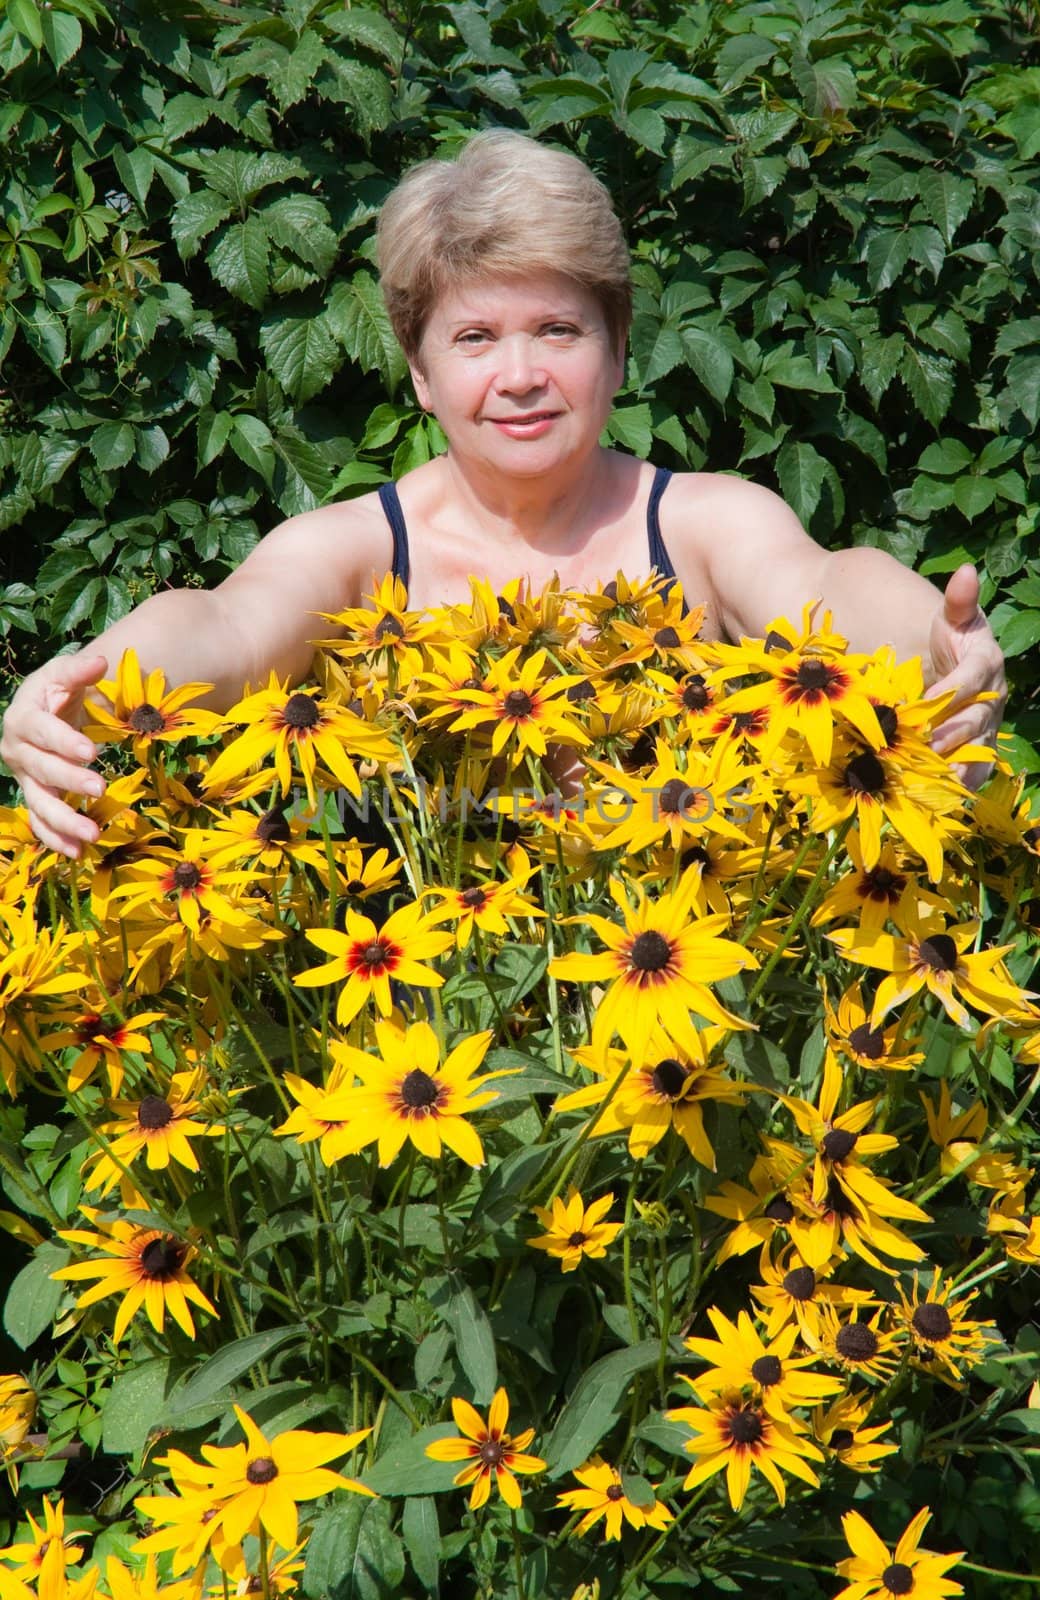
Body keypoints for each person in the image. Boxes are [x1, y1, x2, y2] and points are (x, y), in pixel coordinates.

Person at [1, 130, 1006, 859]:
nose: (518, 374)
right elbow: (222, 625)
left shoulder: (699, 527)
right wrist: (91, 683)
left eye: (557, 332)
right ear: (421, 373)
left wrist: (930, 645)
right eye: (475, 338)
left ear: (616, 351)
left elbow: (825, 585)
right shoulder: (361, 551)